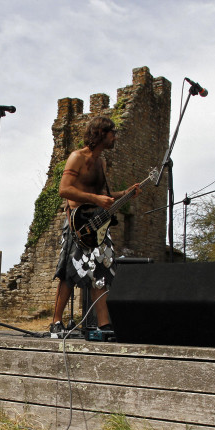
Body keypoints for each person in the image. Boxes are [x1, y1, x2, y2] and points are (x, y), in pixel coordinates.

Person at [50, 115, 139, 337]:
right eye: (113, 133)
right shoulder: (76, 158)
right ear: (101, 133)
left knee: (101, 270)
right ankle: (56, 323)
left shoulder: (102, 162)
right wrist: (96, 199)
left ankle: (104, 324)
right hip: (77, 223)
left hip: (98, 225)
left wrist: (125, 194)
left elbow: (104, 196)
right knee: (69, 273)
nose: (115, 137)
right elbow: (64, 190)